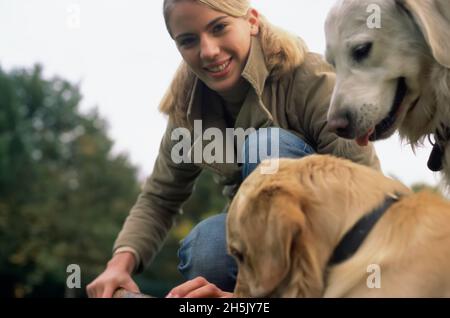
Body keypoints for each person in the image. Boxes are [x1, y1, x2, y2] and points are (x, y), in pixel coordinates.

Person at [86, 0, 380, 298]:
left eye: (219, 28)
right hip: (256, 255)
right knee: (205, 246)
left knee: (267, 148)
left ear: (251, 21)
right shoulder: (188, 111)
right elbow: (160, 198)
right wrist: (118, 266)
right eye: (188, 40)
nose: (208, 51)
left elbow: (368, 195)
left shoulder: (312, 79)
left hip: (333, 246)